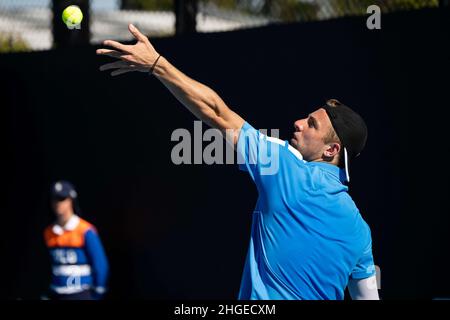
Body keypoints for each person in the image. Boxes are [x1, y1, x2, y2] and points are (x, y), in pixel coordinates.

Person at [97, 24, 379, 300]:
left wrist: (157, 64)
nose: (298, 123)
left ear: (331, 149)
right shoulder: (360, 233)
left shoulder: (285, 168)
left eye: (312, 124)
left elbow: (217, 113)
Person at [44, 180, 109, 300]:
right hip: (56, 292)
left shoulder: (84, 230)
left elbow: (100, 264)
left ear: (71, 200)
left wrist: (98, 291)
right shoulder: (49, 232)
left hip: (80, 293)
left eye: (62, 199)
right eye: (55, 199)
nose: (58, 203)